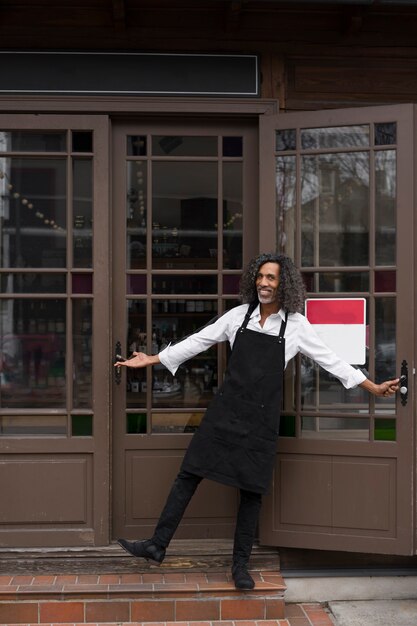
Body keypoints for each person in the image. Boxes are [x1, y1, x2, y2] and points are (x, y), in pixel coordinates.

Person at [114, 253, 399, 590]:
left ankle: (240, 567)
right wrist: (153, 359)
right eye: (261, 276)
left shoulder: (296, 326)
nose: (264, 283)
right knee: (189, 473)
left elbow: (332, 362)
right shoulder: (238, 317)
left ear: (284, 284)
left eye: (272, 278)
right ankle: (157, 545)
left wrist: (373, 386)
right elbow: (198, 341)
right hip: (226, 411)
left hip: (260, 419)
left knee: (251, 491)